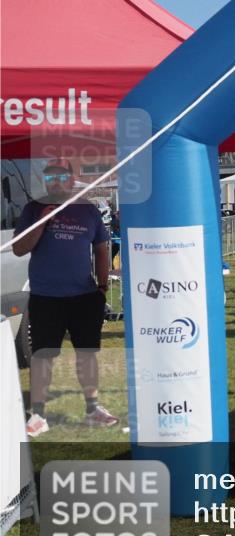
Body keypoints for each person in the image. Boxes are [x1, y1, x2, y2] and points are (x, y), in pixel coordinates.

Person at [13, 159, 117, 437]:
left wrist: (103, 286)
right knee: (42, 356)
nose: (56, 182)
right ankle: (39, 414)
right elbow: (19, 249)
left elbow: (102, 249)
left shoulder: (88, 211)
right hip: (46, 297)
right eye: (50, 178)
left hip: (84, 296)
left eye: (61, 176)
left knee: (87, 355)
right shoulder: (33, 209)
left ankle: (93, 408)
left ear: (73, 178)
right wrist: (41, 222)